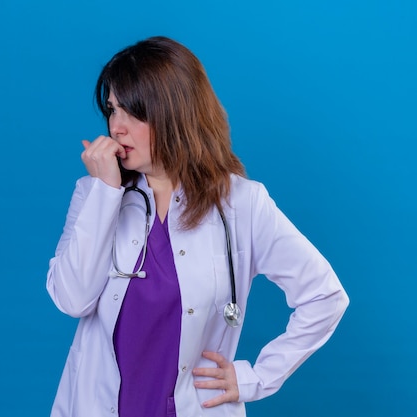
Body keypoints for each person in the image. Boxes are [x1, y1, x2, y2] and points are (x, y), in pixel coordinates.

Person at [46, 36, 349, 417]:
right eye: (112, 110)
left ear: (176, 114)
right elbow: (72, 300)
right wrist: (105, 193)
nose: (116, 128)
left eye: (134, 112)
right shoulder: (94, 194)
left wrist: (254, 377)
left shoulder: (241, 204)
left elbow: (325, 296)